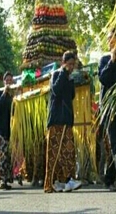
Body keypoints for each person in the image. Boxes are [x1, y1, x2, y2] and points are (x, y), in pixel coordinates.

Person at [44, 51, 82, 193]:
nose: (72, 67)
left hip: (67, 120)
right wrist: (63, 73)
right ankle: (51, 182)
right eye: (69, 64)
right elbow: (56, 90)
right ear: (63, 63)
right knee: (54, 153)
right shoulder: (56, 74)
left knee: (68, 152)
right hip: (56, 120)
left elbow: (71, 95)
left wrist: (69, 78)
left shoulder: (69, 77)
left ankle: (65, 180)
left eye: (73, 64)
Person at [98, 29, 116, 193]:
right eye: (109, 39)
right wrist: (111, 60)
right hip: (109, 108)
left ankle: (109, 178)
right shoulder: (104, 59)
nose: (110, 42)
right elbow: (103, 78)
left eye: (113, 39)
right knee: (115, 143)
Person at [0, 71, 14, 190]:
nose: (9, 82)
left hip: (9, 128)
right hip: (0, 128)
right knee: (1, 154)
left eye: (10, 80)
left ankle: (6, 179)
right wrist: (5, 92)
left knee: (7, 155)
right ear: (4, 81)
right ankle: (1, 180)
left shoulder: (12, 94)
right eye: (7, 80)